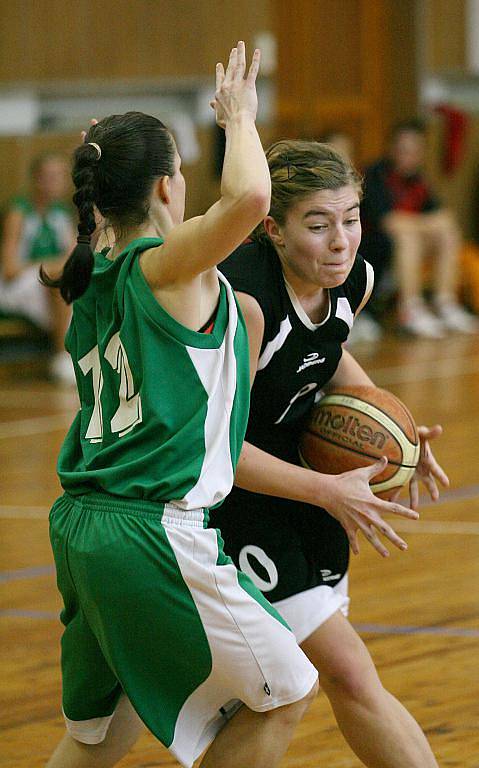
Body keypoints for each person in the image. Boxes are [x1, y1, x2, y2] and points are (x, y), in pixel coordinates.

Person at [42, 43, 319, 768]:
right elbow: (252, 199)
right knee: (285, 689)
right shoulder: (163, 269)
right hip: (151, 531)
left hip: (82, 529)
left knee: (102, 729)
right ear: (168, 187)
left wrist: (100, 168)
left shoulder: (90, 276)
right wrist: (241, 119)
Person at [209, 139, 449, 768]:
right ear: (274, 230)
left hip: (305, 482)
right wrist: (327, 490)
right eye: (318, 225)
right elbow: (210, 451)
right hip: (236, 502)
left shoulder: (354, 279)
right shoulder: (248, 305)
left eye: (350, 218)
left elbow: (329, 351)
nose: (342, 240)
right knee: (341, 673)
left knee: (315, 686)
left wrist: (392, 429)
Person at [361, 119, 478, 338]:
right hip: (374, 252)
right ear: (392, 148)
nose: (408, 155)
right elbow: (388, 222)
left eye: (414, 150)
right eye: (403, 149)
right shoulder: (374, 174)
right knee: (407, 236)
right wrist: (423, 225)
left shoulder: (419, 180)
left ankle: (445, 303)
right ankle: (410, 309)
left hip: (410, 248)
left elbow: (445, 219)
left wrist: (419, 225)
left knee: (447, 234)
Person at [0, 152, 76, 381]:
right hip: (15, 285)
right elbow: (10, 268)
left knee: (79, 278)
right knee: (57, 275)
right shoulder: (19, 211)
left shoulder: (63, 214)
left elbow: (75, 258)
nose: (56, 181)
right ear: (36, 179)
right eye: (49, 176)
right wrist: (53, 264)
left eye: (60, 176)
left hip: (48, 283)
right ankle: (62, 355)